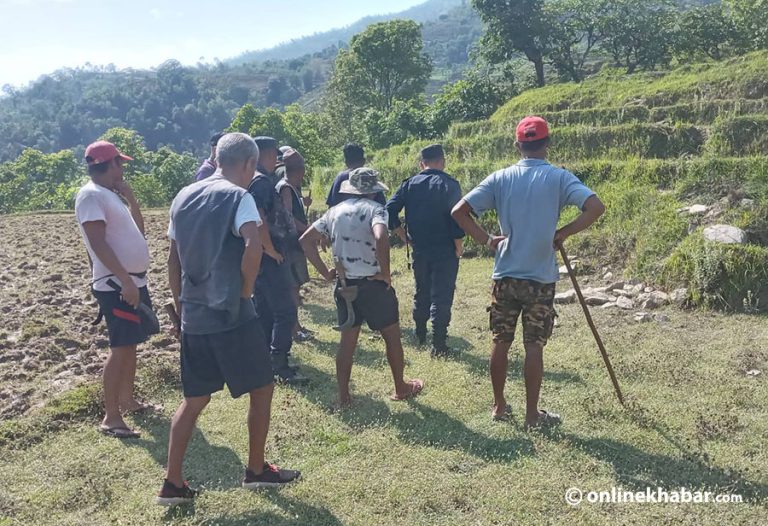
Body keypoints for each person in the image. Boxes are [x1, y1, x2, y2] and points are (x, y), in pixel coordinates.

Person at [158, 132, 300, 506]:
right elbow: (253, 244)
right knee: (262, 387)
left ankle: (173, 483)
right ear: (250, 164)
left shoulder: (183, 196)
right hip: (231, 313)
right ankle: (256, 470)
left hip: (193, 315)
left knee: (194, 399)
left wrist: (181, 304)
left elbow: (172, 259)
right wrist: (244, 292)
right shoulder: (240, 197)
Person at [451, 116, 605, 429]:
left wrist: (487, 240)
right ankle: (532, 415)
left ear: (518, 145)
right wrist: (563, 232)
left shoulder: (501, 177)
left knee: (500, 340)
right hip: (540, 276)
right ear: (547, 143)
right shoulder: (559, 178)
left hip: (505, 274)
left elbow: (459, 212)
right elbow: (595, 207)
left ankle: (498, 406)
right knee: (534, 344)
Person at [300, 167, 424, 408]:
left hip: (345, 286)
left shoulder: (333, 212)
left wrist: (326, 273)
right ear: (373, 190)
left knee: (347, 343)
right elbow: (380, 237)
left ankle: (344, 397)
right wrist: (385, 274)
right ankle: (400, 387)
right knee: (391, 337)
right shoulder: (376, 210)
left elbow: (305, 240)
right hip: (373, 285)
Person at [74, 140, 156, 439]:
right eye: (120, 163)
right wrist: (123, 280)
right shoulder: (91, 196)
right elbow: (97, 242)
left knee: (131, 343)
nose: (122, 169)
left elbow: (138, 232)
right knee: (121, 346)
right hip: (116, 285)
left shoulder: (110, 196)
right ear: (108, 164)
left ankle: (128, 400)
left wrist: (132, 199)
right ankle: (111, 416)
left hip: (129, 280)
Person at [386, 144, 464, 357]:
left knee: (422, 290)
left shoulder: (409, 184)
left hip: (419, 248)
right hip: (445, 249)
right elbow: (457, 218)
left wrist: (402, 235)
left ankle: (420, 333)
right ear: (443, 161)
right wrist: (459, 247)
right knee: (442, 295)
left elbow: (389, 209)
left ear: (422, 164)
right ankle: (439, 344)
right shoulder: (450, 184)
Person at [248, 136, 308, 385]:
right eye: (274, 154)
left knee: (264, 310)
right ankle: (280, 363)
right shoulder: (261, 182)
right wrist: (270, 249)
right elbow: (259, 217)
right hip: (270, 257)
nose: (277, 159)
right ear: (264, 154)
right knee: (285, 310)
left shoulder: (253, 178)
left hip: (260, 258)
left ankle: (264, 361)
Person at [275, 147, 314, 342]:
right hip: (290, 245)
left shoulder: (287, 187)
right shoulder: (286, 188)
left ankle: (295, 326)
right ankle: (294, 328)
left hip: (291, 244)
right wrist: (308, 228)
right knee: (293, 287)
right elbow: (288, 216)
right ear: (299, 171)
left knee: (294, 287)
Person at [325, 143, 385, 208]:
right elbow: (382, 205)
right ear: (363, 161)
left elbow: (332, 206)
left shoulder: (341, 178)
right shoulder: (370, 177)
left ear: (346, 162)